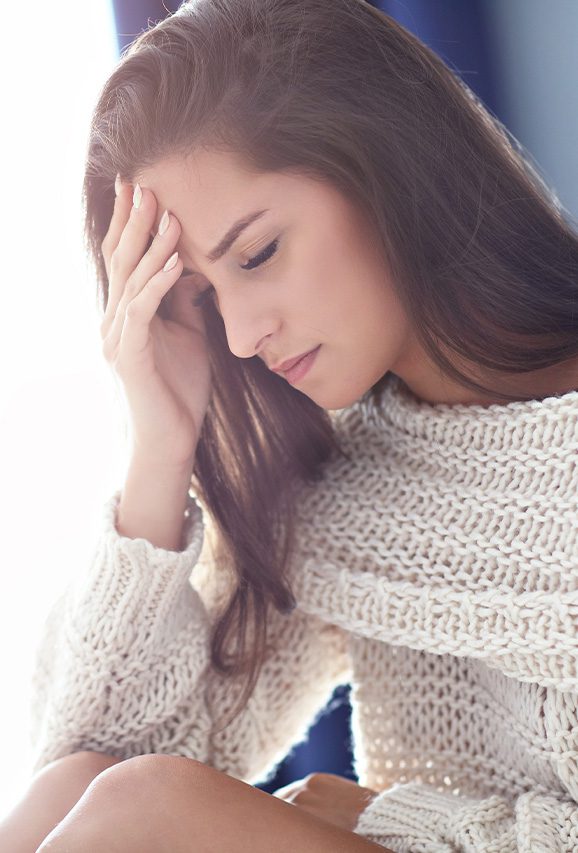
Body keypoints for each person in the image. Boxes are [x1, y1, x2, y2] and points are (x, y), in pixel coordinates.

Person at [2, 0, 578, 849]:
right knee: (99, 784)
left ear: (384, 165)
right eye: (200, 296)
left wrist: (391, 819)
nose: (239, 335)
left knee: (144, 802)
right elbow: (85, 765)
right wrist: (160, 446)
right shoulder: (343, 479)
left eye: (257, 253)